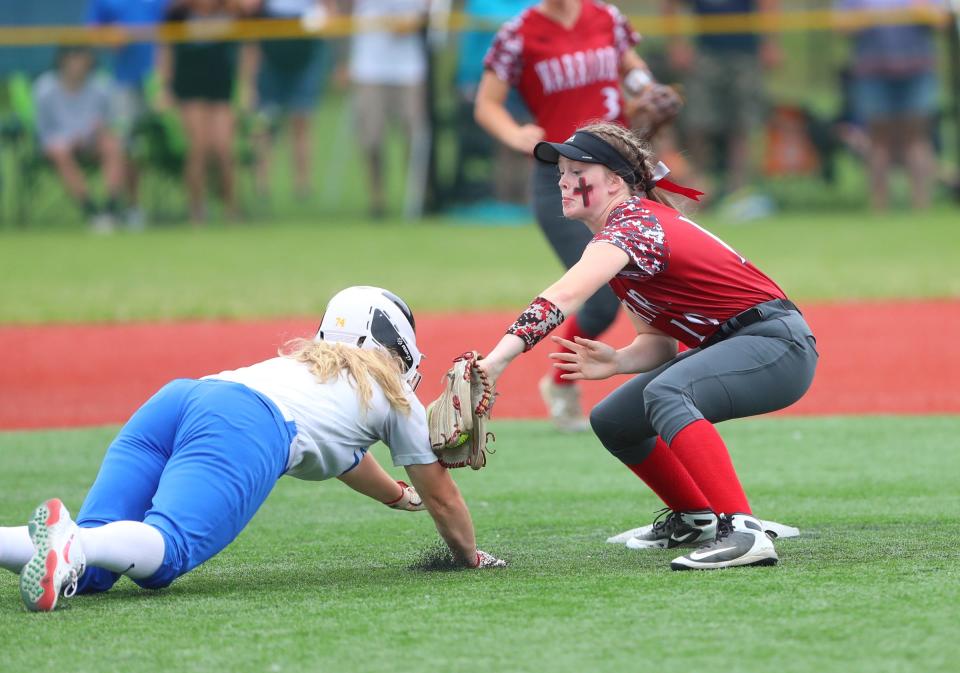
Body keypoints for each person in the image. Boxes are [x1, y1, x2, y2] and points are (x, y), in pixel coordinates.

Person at [0, 286, 505, 612]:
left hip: (182, 399)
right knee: (165, 553)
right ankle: (72, 542)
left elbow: (345, 458)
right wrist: (469, 556)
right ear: (395, 339)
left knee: (89, 571)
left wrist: (399, 497)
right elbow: (445, 498)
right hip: (244, 424)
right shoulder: (396, 399)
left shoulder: (314, 368)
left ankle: (61, 543)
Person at [472, 121, 818, 570]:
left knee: (667, 393)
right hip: (743, 342)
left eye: (577, 169)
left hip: (777, 344)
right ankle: (697, 519)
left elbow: (564, 296)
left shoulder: (633, 225)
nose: (562, 179)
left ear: (615, 181)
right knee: (615, 419)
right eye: (560, 170)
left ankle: (744, 532)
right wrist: (617, 360)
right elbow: (659, 345)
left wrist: (497, 360)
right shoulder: (623, 232)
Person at [474, 0, 665, 431]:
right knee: (599, 298)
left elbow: (631, 66)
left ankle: (675, 390)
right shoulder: (518, 33)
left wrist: (646, 89)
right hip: (564, 178)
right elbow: (487, 104)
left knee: (656, 280)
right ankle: (560, 384)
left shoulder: (607, 17)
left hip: (620, 171)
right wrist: (515, 133)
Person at [662, 0, 782, 201]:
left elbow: (768, 4)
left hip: (746, 54)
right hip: (706, 53)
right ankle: (699, 186)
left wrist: (770, 42)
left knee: (742, 126)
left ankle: (739, 190)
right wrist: (677, 44)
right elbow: (670, 5)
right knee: (697, 125)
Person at [157, 0, 256, 222]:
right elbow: (166, 50)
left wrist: (247, 85)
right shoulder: (178, 13)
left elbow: (249, 47)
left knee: (222, 148)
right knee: (198, 147)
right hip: (189, 87)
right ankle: (196, 208)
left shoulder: (232, 12)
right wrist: (164, 86)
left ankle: (231, 208)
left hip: (220, 87)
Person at [835, 0, 940, 210]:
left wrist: (921, 12)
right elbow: (840, 25)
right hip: (872, 70)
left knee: (917, 138)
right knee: (878, 140)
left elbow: (942, 20)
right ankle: (879, 208)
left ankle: (922, 208)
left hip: (917, 67)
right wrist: (868, 17)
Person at [87, 0, 172, 229]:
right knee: (123, 146)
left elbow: (175, 24)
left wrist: (164, 84)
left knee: (152, 146)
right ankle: (116, 206)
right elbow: (93, 31)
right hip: (121, 82)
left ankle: (136, 208)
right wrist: (109, 36)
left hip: (159, 82)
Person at [244, 0, 336, 198]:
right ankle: (262, 184)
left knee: (301, 120)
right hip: (271, 56)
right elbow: (247, 9)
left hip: (305, 52)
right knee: (264, 123)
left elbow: (330, 11)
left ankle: (302, 185)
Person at [32, 46, 127, 233]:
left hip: (91, 142)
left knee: (112, 144)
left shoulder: (101, 86)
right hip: (60, 145)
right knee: (59, 150)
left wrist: (99, 131)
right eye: (72, 58)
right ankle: (90, 209)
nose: (77, 64)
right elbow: (43, 131)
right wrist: (67, 139)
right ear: (62, 61)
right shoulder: (45, 88)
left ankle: (111, 207)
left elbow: (113, 123)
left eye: (82, 58)